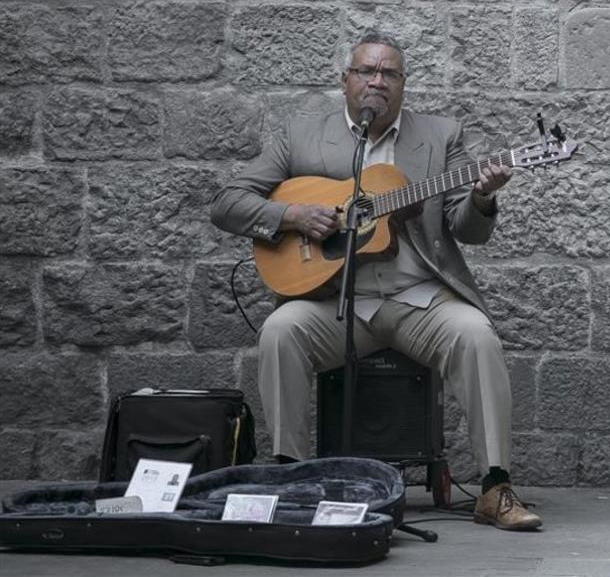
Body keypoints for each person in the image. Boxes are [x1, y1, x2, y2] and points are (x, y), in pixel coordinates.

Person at [210, 31, 542, 531]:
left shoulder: (440, 135)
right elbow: (227, 204)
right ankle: (291, 478)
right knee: (280, 331)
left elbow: (467, 232)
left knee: (477, 337)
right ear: (346, 81)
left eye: (389, 74)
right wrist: (292, 215)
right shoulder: (300, 137)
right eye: (367, 71)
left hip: (419, 299)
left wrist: (483, 198)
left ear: (403, 86)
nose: (377, 81)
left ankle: (495, 486)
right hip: (333, 302)